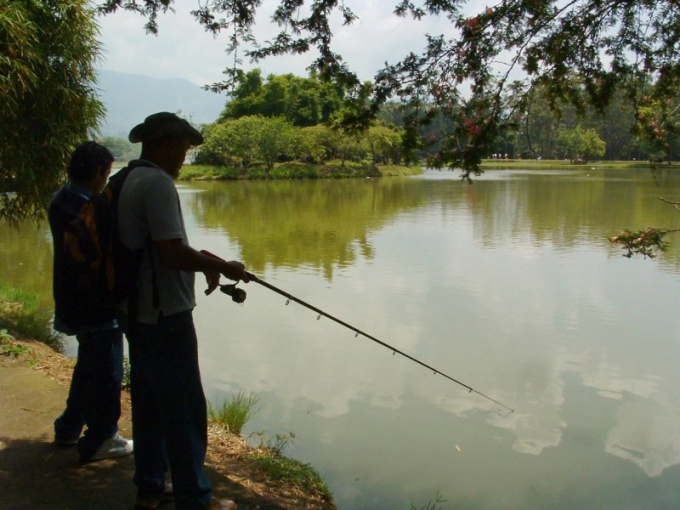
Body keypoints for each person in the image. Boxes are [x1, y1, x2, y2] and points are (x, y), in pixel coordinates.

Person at [118, 112, 249, 510]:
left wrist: (206, 261)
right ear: (165, 144)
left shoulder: (126, 179)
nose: (184, 157)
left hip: (135, 311)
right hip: (165, 316)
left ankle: (150, 487)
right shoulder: (157, 183)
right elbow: (172, 252)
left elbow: (157, 248)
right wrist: (225, 267)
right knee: (184, 407)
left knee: (149, 402)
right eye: (182, 149)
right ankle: (194, 496)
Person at [50, 141, 134, 462]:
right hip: (95, 301)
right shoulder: (85, 209)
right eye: (107, 174)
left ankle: (69, 426)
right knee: (108, 369)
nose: (106, 180)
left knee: (88, 366)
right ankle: (102, 436)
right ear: (99, 172)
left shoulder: (61, 199)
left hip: (73, 298)